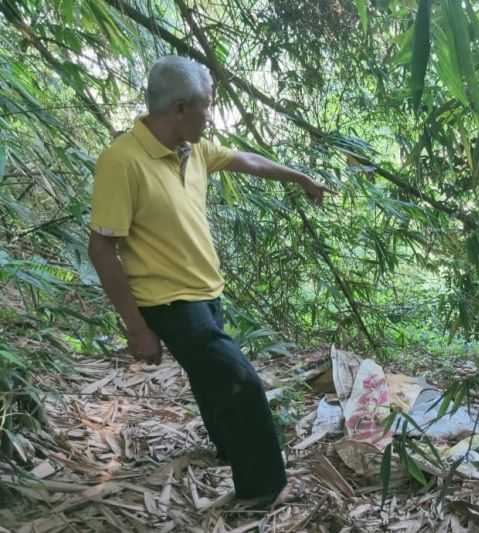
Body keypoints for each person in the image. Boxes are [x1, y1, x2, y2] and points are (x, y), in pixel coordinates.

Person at [88, 55, 330, 506]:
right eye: (207, 105)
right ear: (180, 107)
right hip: (168, 302)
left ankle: (227, 447)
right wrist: (138, 330)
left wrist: (299, 177)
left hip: (206, 291)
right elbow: (102, 249)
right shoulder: (121, 161)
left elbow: (248, 161)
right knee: (240, 381)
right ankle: (263, 491)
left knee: (210, 380)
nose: (211, 115)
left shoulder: (194, 149)